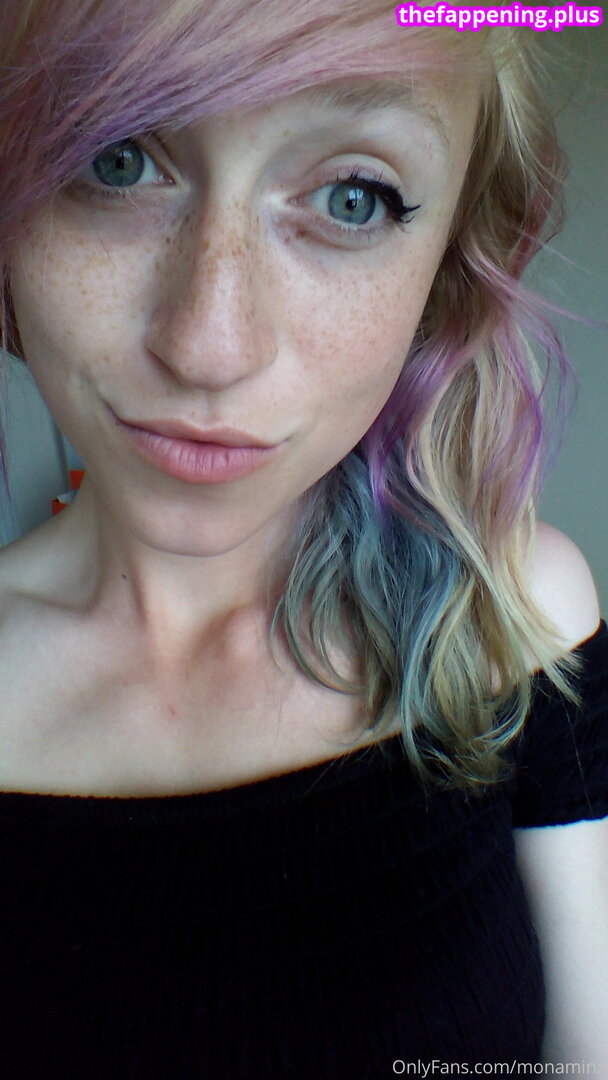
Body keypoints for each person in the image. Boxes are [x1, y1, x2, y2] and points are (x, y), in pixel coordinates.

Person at [0, 1, 606, 1075]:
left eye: (351, 197)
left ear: (446, 267)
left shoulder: (512, 618)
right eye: (115, 159)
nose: (209, 347)